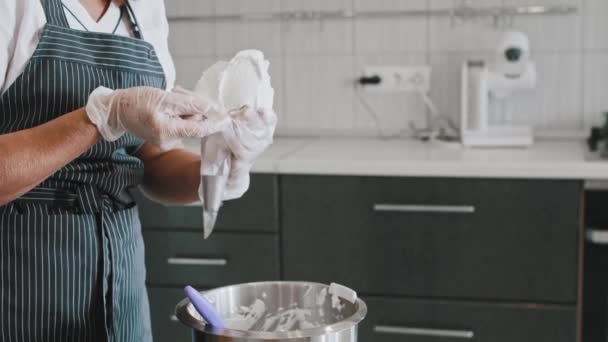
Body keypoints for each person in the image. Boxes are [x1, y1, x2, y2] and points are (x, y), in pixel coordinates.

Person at [0, 0, 275, 340]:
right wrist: (100, 118)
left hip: (123, 288)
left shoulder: (145, 9)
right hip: (20, 282)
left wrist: (221, 169)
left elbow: (150, 159)